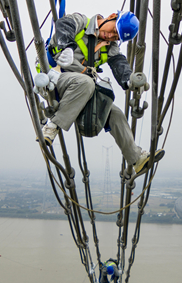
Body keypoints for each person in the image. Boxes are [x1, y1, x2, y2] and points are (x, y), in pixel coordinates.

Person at [38, 11, 164, 175]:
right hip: (54, 80)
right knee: (87, 82)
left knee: (115, 113)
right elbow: (64, 24)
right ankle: (52, 127)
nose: (111, 36)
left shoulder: (109, 47)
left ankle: (136, 159)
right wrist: (66, 47)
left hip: (80, 92)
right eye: (113, 30)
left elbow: (120, 64)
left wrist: (130, 81)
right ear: (111, 17)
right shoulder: (81, 22)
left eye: (116, 37)